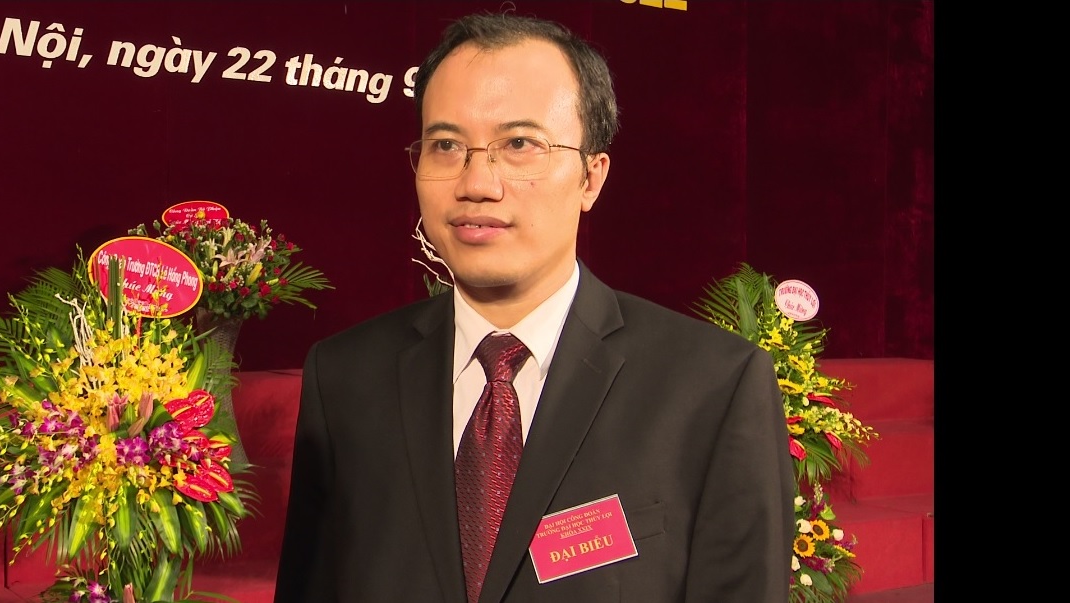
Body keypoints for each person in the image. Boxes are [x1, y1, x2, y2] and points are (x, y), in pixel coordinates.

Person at [274, 10, 793, 603]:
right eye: (446, 146)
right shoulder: (344, 378)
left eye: (519, 144)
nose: (476, 183)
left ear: (591, 177)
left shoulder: (713, 387)